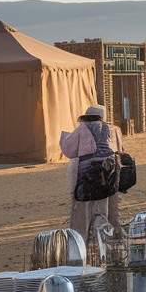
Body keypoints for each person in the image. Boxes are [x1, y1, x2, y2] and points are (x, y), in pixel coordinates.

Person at [59, 105, 124, 245]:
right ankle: (109, 240)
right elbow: (120, 150)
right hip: (109, 173)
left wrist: (64, 137)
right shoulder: (112, 129)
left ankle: (79, 242)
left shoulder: (82, 129)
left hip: (87, 174)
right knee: (105, 206)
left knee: (82, 210)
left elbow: (69, 150)